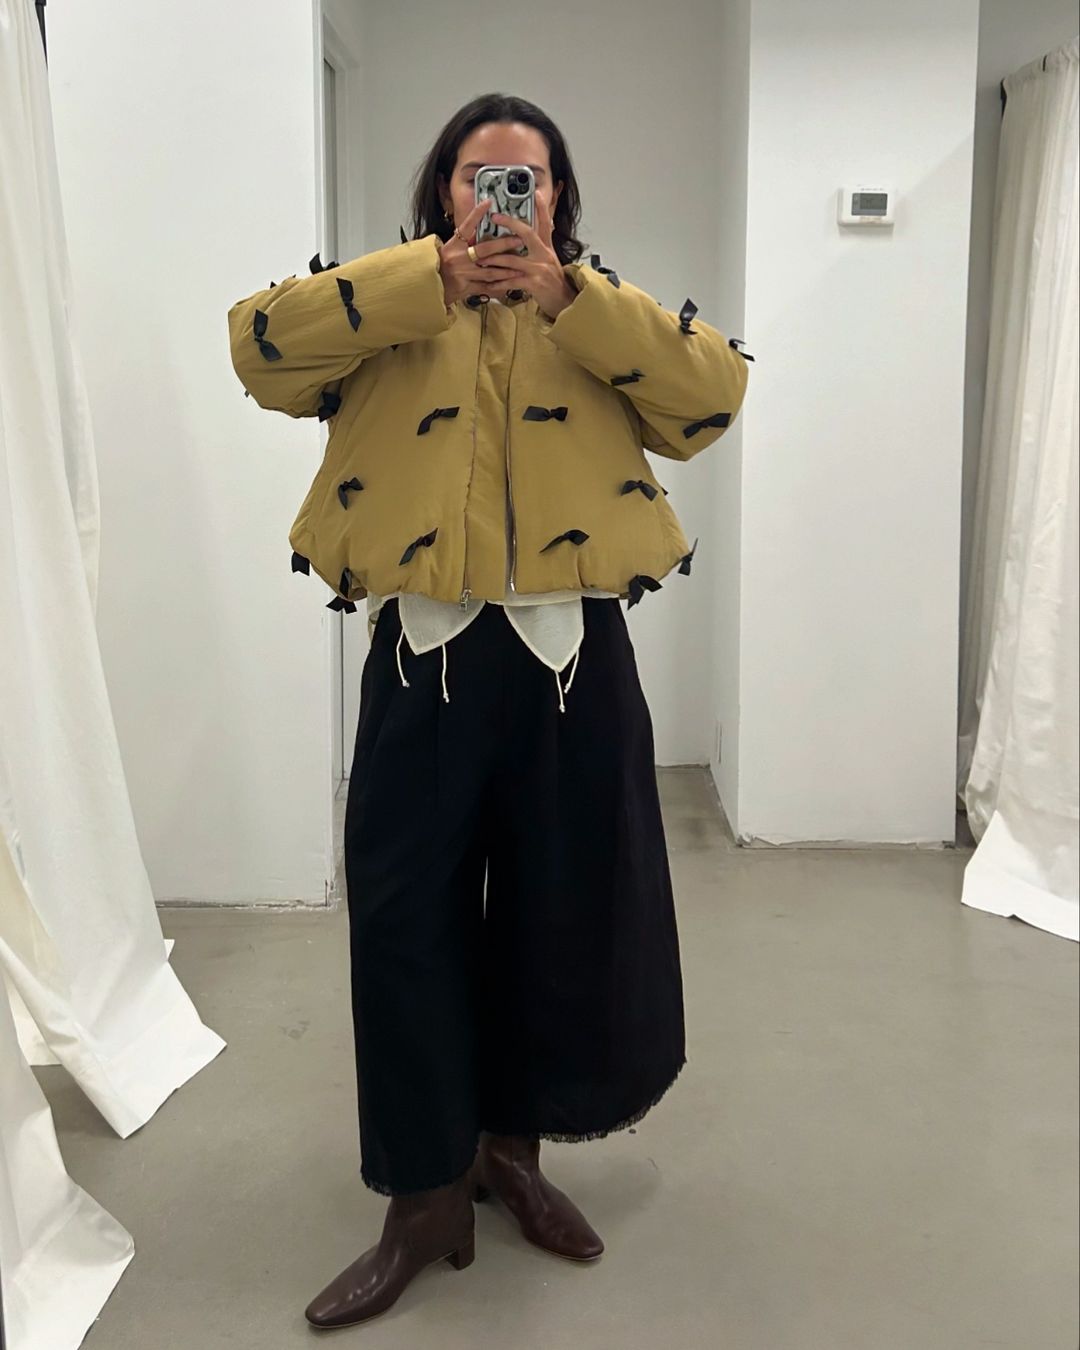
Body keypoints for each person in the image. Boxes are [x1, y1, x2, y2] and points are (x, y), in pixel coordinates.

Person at [226, 92, 750, 1330]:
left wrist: (573, 297)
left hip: (572, 662)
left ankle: (512, 1155)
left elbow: (712, 400)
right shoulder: (389, 307)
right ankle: (424, 1198)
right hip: (424, 658)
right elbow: (257, 352)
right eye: (479, 176)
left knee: (557, 917)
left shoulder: (597, 313)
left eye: (528, 179)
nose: (502, 198)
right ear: (444, 191)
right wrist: (428, 280)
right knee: (403, 923)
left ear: (559, 198)